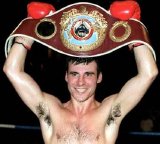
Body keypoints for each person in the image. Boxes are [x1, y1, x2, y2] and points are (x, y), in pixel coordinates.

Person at [3, 1, 158, 144]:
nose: (80, 82)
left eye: (88, 74)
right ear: (66, 77)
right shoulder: (51, 110)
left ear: (99, 77)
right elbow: (11, 70)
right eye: (74, 74)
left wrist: (135, 30)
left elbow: (148, 73)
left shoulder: (109, 111)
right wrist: (29, 28)